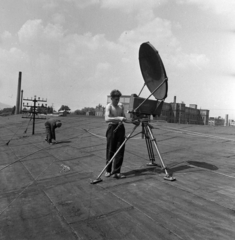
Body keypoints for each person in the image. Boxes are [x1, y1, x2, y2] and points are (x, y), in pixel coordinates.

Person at [105, 89, 127, 179]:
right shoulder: (109, 106)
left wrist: (133, 121)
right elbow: (106, 119)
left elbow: (124, 118)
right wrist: (119, 118)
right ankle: (108, 170)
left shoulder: (121, 106)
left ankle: (116, 172)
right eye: (115, 99)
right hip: (112, 128)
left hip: (120, 128)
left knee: (120, 150)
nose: (117, 101)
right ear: (111, 98)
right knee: (110, 149)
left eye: (118, 99)